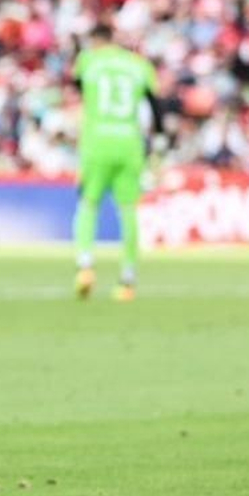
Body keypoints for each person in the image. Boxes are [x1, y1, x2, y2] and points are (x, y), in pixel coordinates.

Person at [72, 20, 163, 302]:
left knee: (88, 204)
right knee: (128, 211)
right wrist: (158, 147)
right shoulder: (139, 65)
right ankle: (127, 279)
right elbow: (157, 110)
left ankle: (85, 266)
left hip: (97, 143)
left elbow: (77, 86)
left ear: (96, 40)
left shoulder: (88, 60)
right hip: (129, 144)